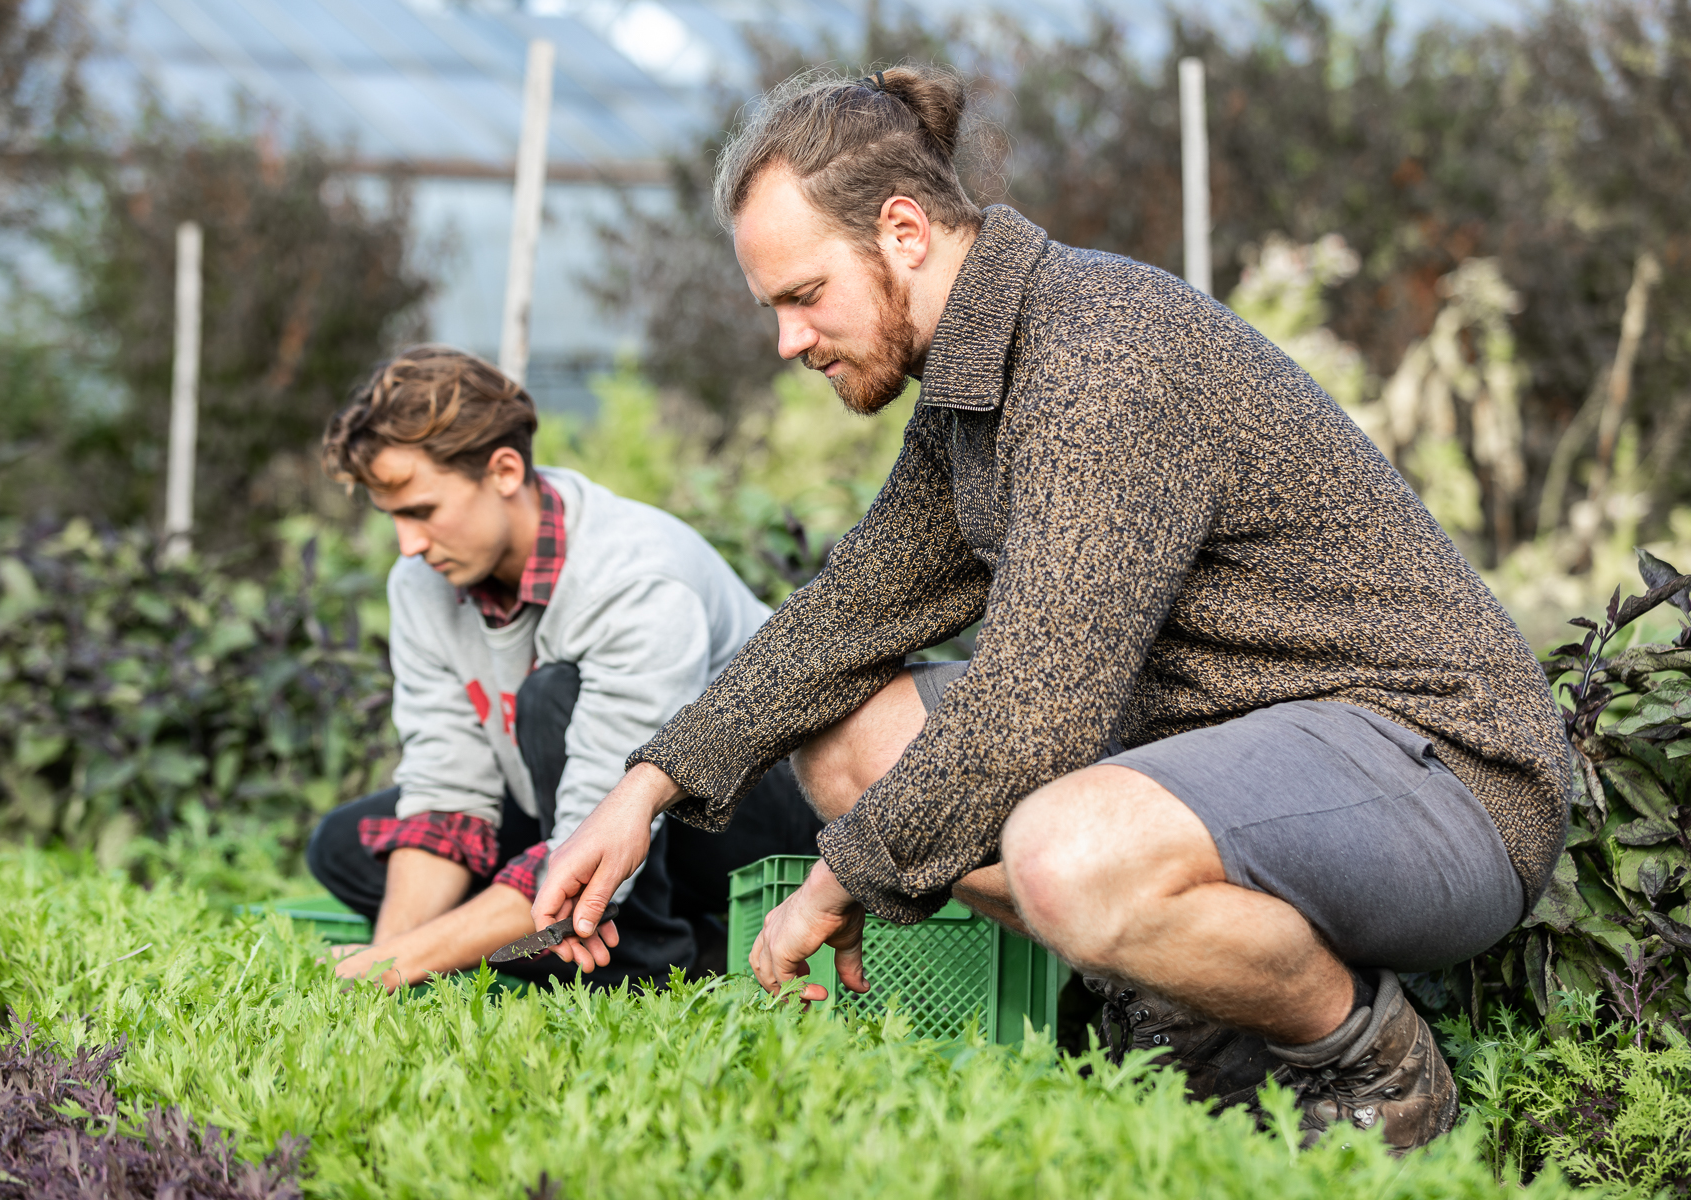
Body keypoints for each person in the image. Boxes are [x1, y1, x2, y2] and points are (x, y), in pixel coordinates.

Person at [529, 67, 1571, 1152]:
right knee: (848, 736)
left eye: (802, 296)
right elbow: (849, 615)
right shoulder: (979, 379)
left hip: (1440, 776)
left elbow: (1035, 716)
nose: (789, 340)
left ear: (903, 232)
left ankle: (1371, 1062)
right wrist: (644, 788)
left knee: (1067, 852)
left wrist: (840, 881)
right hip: (1241, 755)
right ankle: (1194, 1028)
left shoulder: (1099, 358)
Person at [306, 345, 822, 990]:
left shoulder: (634, 575)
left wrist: (395, 965)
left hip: (744, 812)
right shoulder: (421, 583)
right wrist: (387, 958)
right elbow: (448, 789)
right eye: (394, 518)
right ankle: (695, 941)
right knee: (346, 844)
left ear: (502, 470)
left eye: (423, 511)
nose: (408, 545)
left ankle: (647, 966)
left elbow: (598, 822)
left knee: (552, 698)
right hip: (584, 809)